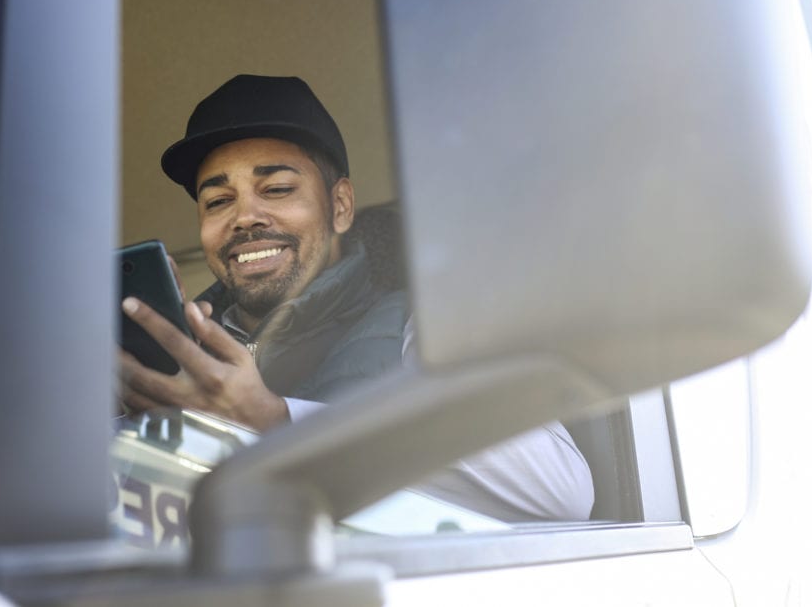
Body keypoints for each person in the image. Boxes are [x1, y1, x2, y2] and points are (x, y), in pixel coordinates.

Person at [119, 74, 594, 521]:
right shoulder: (183, 359)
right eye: (218, 201)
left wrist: (279, 424)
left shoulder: (424, 325)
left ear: (341, 206)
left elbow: (560, 494)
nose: (245, 217)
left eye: (278, 188)